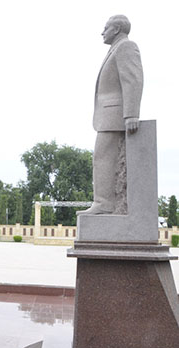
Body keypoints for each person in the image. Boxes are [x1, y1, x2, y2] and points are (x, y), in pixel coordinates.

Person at [80, 15, 143, 215]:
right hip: (108, 115)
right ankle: (103, 201)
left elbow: (133, 80)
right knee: (101, 158)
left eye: (105, 28)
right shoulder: (115, 49)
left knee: (103, 157)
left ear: (116, 29)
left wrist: (131, 114)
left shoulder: (126, 47)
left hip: (114, 115)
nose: (102, 32)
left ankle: (104, 203)